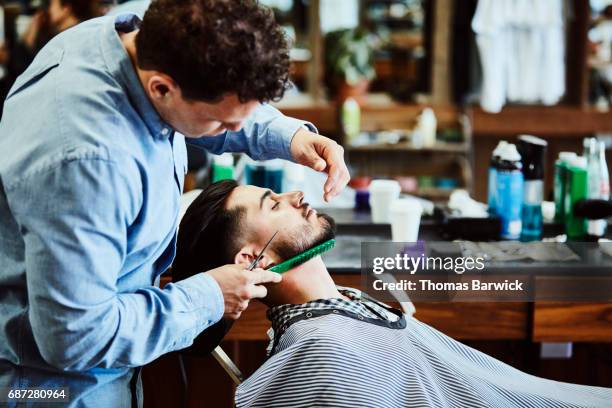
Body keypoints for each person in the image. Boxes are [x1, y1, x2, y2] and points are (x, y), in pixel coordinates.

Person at [0, 0, 350, 406]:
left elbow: (212, 106)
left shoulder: (129, 42)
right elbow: (74, 336)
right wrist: (206, 298)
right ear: (161, 88)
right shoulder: (86, 163)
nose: (233, 133)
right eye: (222, 124)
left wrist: (288, 136)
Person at [174, 180, 612, 408]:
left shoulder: (340, 309)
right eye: (275, 204)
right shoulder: (322, 351)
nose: (296, 196)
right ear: (255, 261)